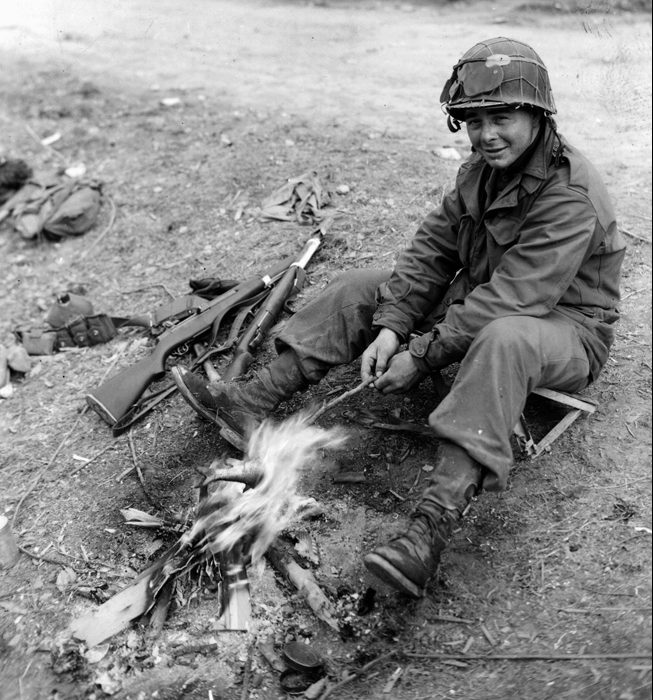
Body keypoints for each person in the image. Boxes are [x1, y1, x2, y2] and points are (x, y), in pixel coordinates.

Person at [172, 37, 625, 598]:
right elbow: (433, 249)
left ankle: (430, 528)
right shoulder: (481, 172)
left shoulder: (570, 194)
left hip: (564, 329)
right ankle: (255, 400)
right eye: (473, 119)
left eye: (503, 116)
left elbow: (517, 298)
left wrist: (422, 352)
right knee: (364, 286)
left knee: (504, 337)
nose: (487, 135)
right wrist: (391, 326)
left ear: (538, 115)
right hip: (490, 301)